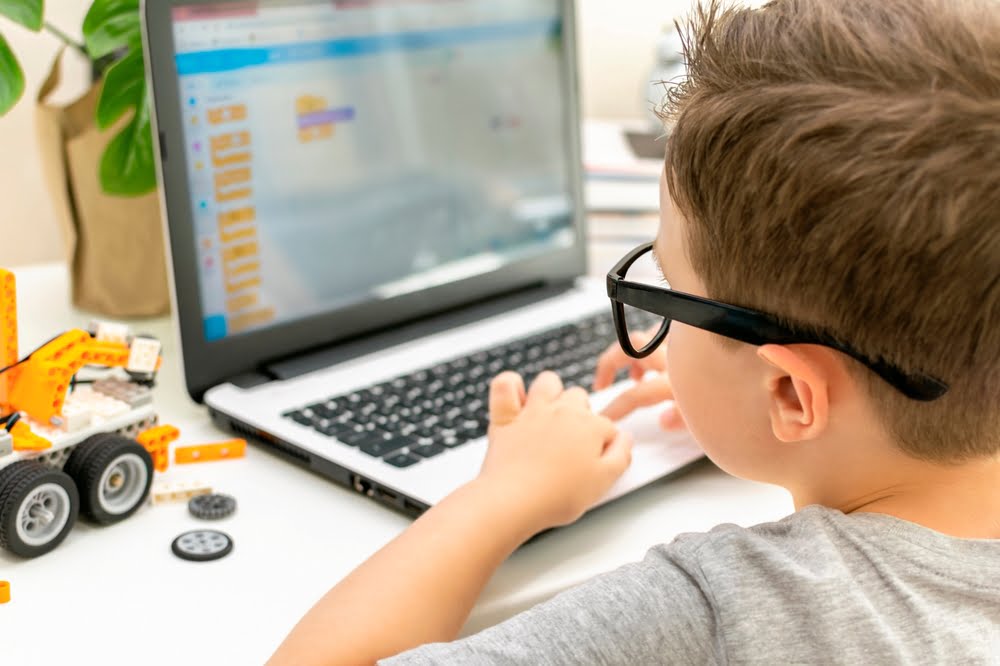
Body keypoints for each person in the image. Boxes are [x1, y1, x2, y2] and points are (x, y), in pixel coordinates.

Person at [269, 0, 1000, 662]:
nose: (661, 321)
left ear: (790, 391)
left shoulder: (720, 609)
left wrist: (500, 497)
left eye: (672, 292)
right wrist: (753, 409)